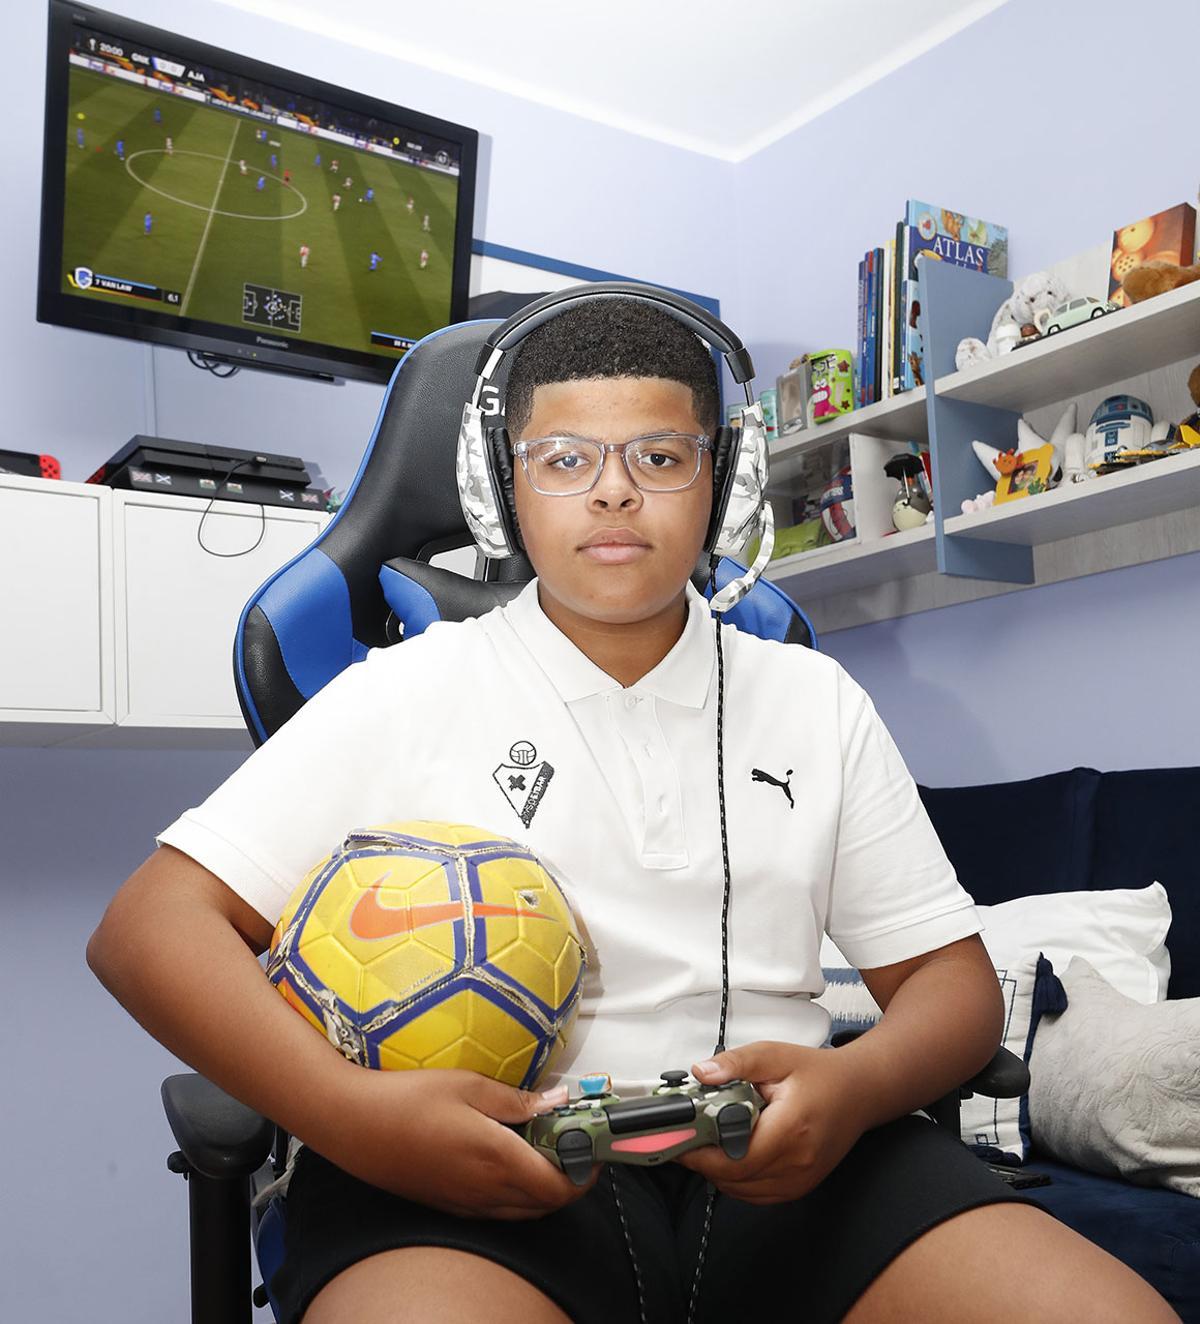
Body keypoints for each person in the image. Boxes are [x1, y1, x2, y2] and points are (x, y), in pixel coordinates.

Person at [86, 297, 1181, 1324]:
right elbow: (149, 929)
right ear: (500, 492)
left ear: (725, 484)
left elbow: (949, 987)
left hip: (793, 1167)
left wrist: (850, 1089)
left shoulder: (813, 699)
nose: (614, 492)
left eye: (659, 457)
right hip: (470, 1173)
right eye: (564, 460)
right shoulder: (403, 689)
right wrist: (349, 1115)